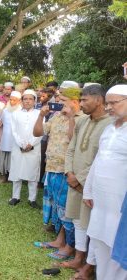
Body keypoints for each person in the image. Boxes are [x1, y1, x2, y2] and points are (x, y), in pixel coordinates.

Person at [59, 84, 112, 279]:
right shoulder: (82, 121)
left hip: (92, 184)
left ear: (98, 100)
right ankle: (78, 258)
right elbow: (71, 148)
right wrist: (69, 173)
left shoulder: (111, 124)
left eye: (84, 100)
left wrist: (80, 180)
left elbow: (103, 158)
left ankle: (90, 265)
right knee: (78, 220)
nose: (80, 104)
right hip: (74, 180)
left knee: (94, 225)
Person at [32, 87, 84, 261]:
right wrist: (41, 115)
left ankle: (69, 247)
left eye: (62, 99)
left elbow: (72, 140)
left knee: (66, 210)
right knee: (57, 207)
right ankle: (59, 240)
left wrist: (70, 116)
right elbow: (38, 133)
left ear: (74, 101)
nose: (58, 102)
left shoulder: (81, 118)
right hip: (51, 168)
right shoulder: (55, 116)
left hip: (66, 171)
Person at [82, 84, 127, 280]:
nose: (108, 107)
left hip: (119, 205)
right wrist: (88, 191)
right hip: (100, 202)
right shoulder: (109, 129)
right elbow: (98, 161)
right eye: (107, 103)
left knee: (117, 248)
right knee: (99, 243)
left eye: (113, 103)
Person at [8, 89, 42, 208]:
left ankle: (32, 199)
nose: (27, 101)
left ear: (34, 101)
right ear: (21, 101)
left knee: (33, 173)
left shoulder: (39, 114)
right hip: (18, 147)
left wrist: (31, 144)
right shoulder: (15, 114)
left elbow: (41, 131)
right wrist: (21, 144)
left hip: (34, 147)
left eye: (30, 99)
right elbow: (14, 131)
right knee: (16, 171)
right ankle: (15, 197)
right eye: (25, 99)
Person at [0, 91, 21, 182]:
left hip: (16, 139)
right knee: (4, 155)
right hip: (5, 137)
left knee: (13, 156)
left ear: (19, 101)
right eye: (11, 100)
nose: (12, 102)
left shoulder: (21, 111)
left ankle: (12, 176)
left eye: (15, 100)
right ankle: (3, 175)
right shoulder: (5, 110)